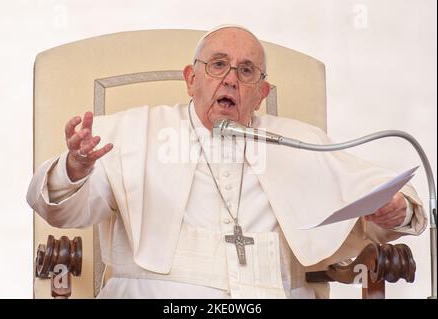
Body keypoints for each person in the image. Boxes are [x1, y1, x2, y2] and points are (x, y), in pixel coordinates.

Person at [27, 25, 427, 299]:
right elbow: (61, 211)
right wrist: (75, 169)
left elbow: (381, 195)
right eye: (218, 64)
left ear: (262, 93)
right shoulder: (128, 133)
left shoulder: (302, 142)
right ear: (191, 78)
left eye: (246, 71)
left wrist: (397, 211)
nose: (231, 79)